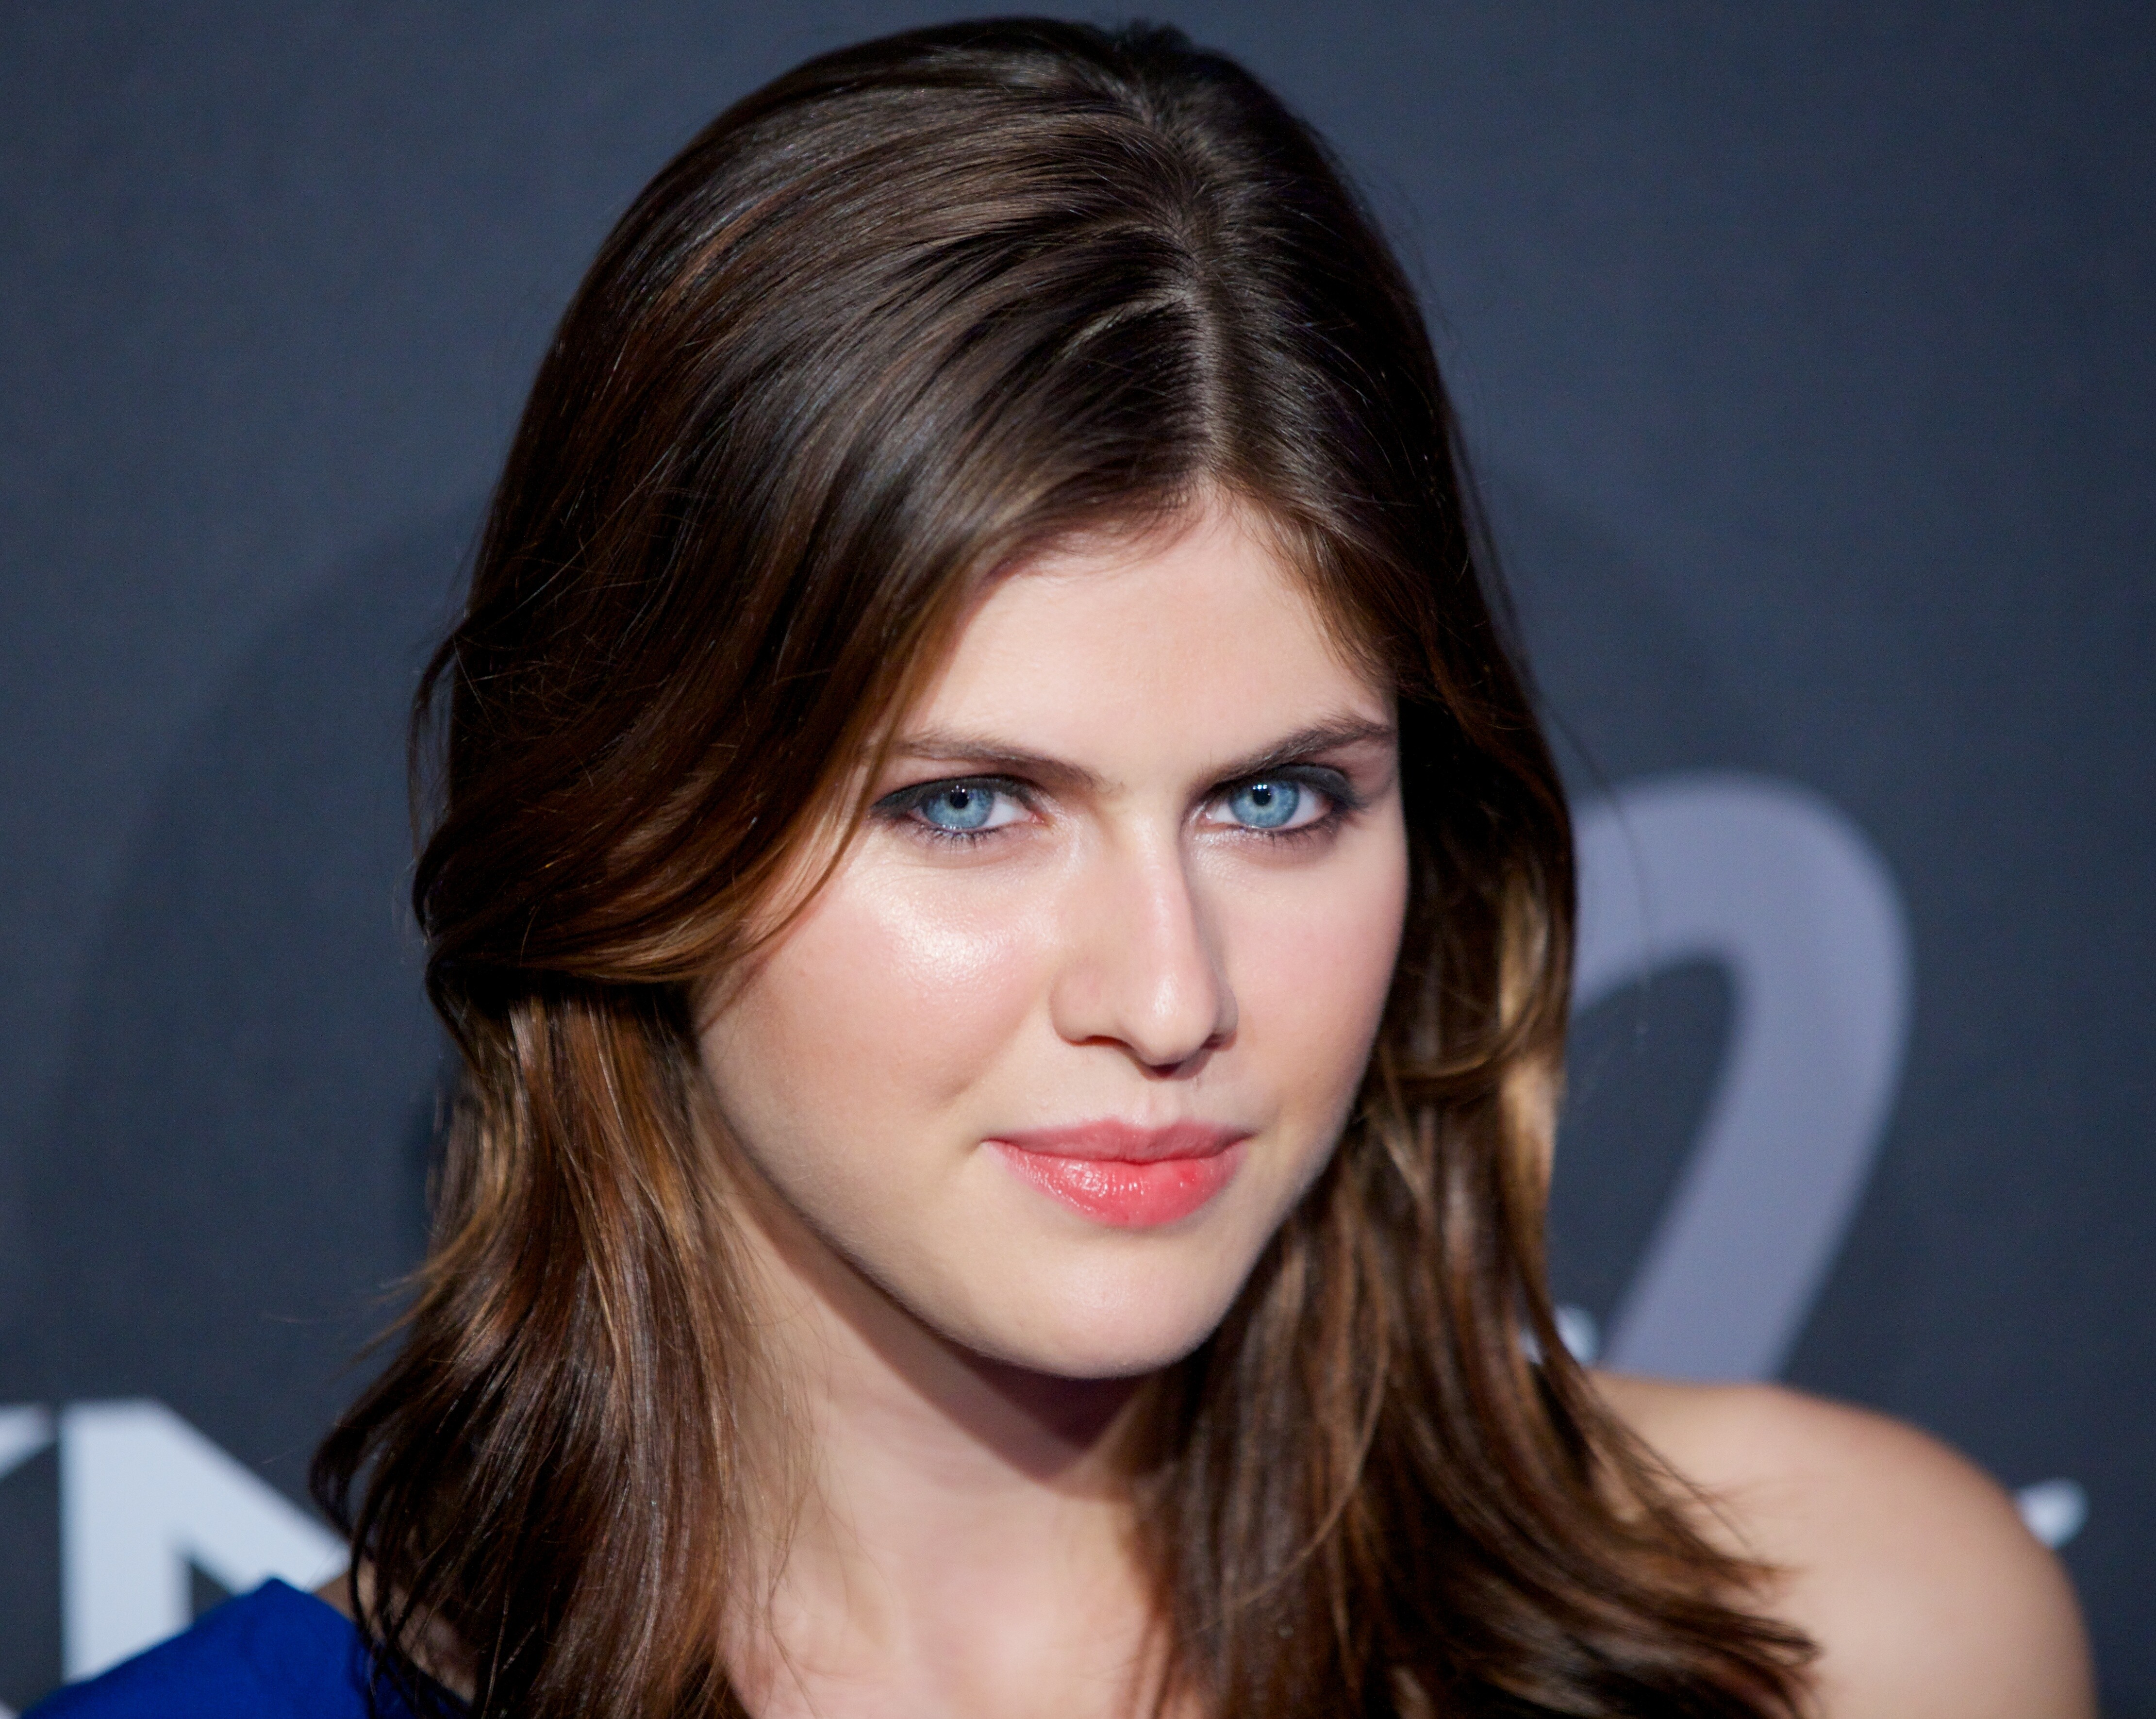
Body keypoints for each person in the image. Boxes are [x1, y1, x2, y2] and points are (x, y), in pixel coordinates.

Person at [35, 18, 2091, 1719]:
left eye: (1275, 801)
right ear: (632, 832)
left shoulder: (1845, 1641)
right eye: (966, 805)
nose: (1170, 995)